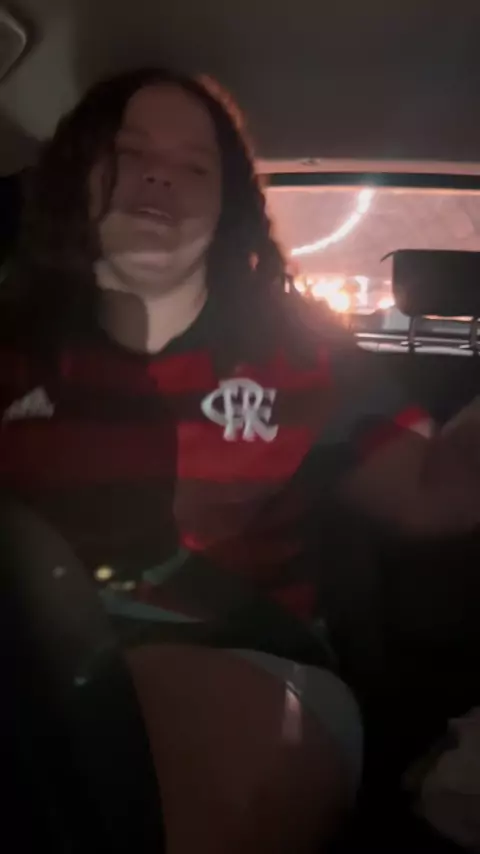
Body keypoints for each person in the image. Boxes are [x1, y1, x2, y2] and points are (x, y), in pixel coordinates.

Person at [2, 68, 480, 851]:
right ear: (72, 174)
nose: (160, 175)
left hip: (246, 663)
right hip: (33, 666)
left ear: (226, 210)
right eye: (129, 152)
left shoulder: (297, 354)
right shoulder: (15, 346)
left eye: (195, 167)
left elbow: (438, 492)